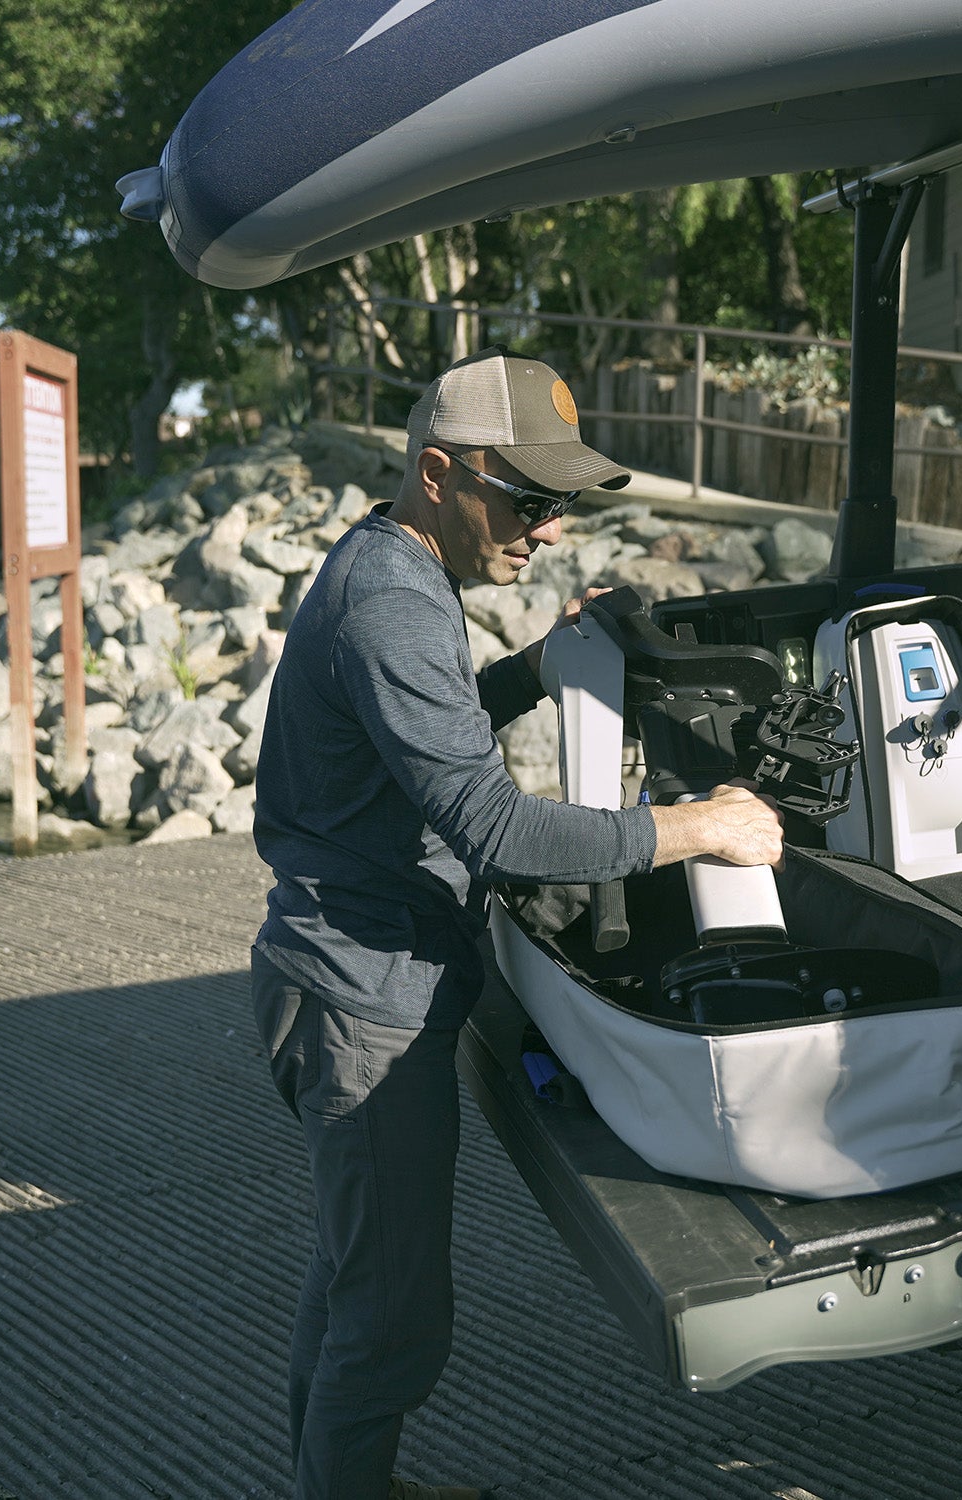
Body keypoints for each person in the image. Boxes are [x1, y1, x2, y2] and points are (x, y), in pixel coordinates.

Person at [249, 345, 783, 1500]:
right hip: (361, 1010)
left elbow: (422, 735)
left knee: (352, 1282)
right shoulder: (394, 601)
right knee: (393, 1323)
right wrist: (699, 827)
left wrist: (537, 668)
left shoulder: (388, 563)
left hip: (339, 978)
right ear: (439, 472)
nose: (547, 531)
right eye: (527, 500)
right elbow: (496, 827)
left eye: (561, 506)